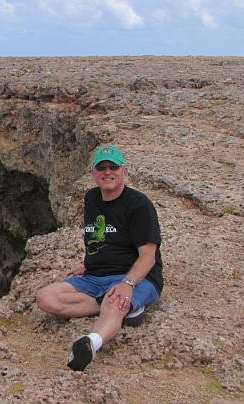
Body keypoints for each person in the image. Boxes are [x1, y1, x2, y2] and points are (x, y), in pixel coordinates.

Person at [36, 146, 163, 371]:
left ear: (124, 171)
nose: (107, 172)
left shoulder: (139, 205)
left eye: (113, 167)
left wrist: (127, 284)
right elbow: (97, 237)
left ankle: (91, 343)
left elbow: (148, 256)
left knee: (115, 300)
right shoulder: (92, 198)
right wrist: (87, 264)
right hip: (96, 276)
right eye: (101, 167)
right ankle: (124, 309)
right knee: (46, 298)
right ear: (93, 173)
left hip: (136, 276)